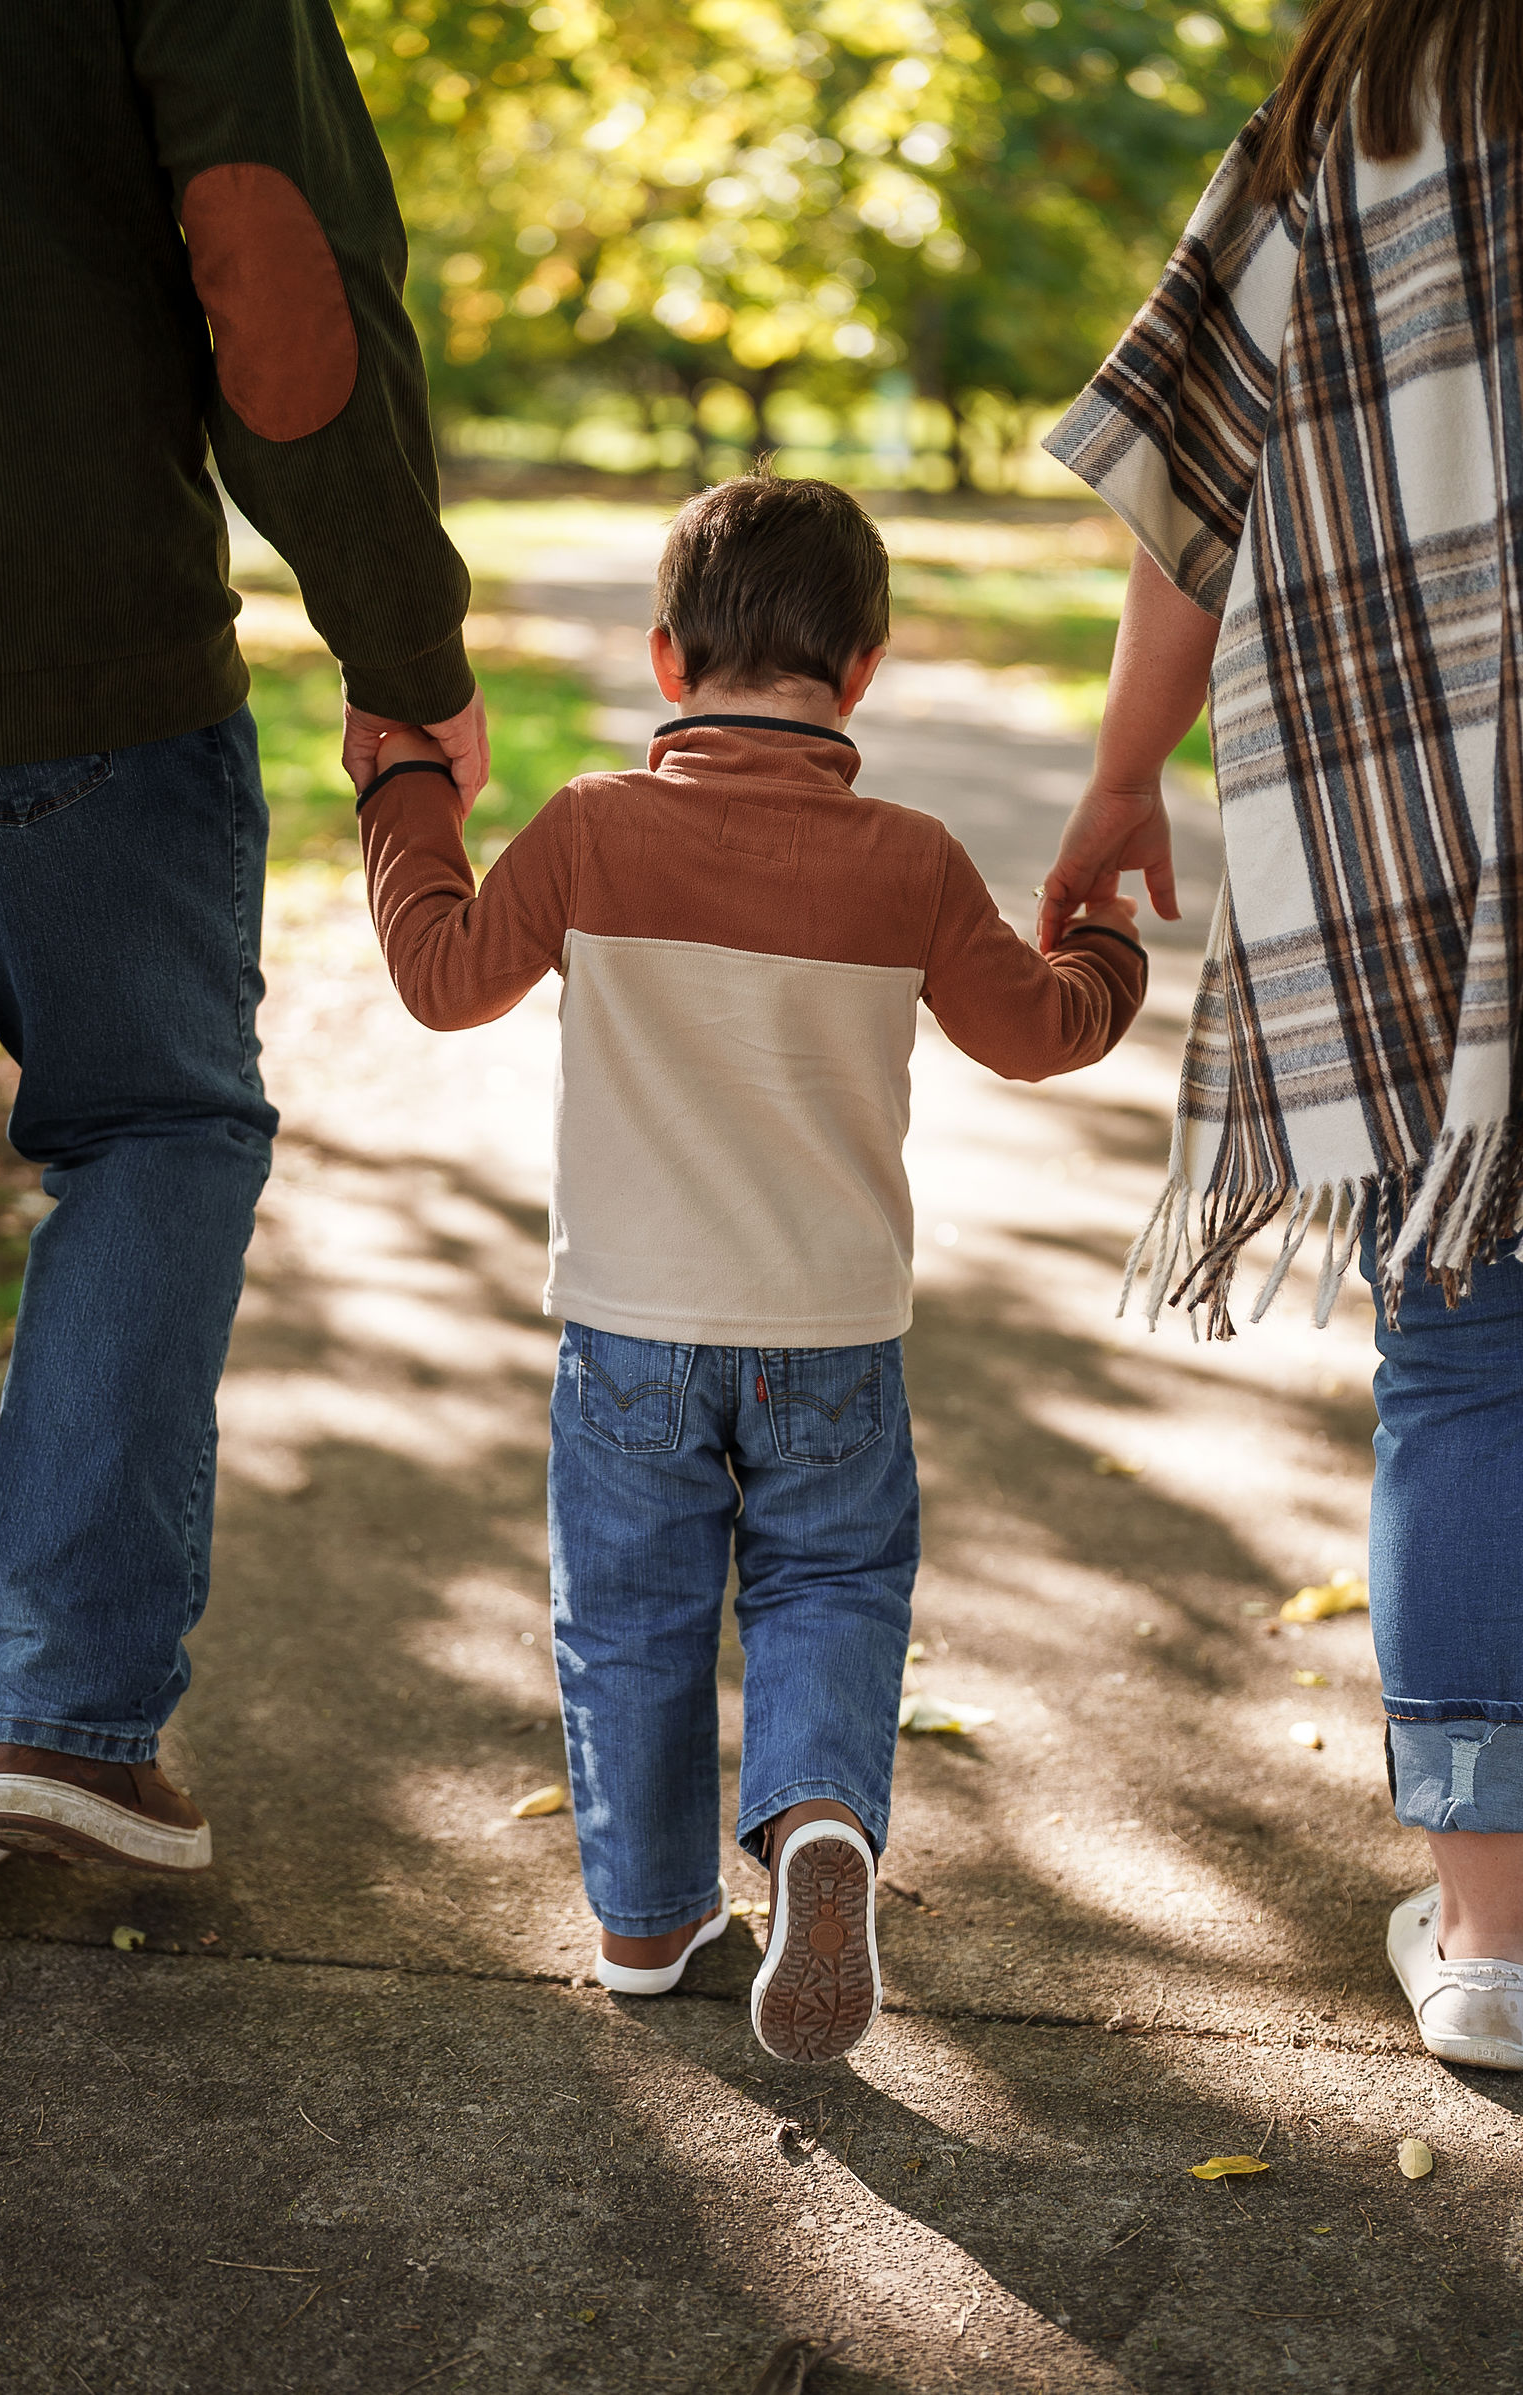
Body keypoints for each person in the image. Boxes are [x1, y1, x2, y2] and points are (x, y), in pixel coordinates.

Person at [353, 470, 1147, 2061]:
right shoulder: (910, 860)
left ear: (666, 660)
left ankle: (649, 1925)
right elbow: (1044, 1032)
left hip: (632, 1335)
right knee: (832, 1586)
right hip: (833, 1332)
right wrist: (1104, 937)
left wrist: (410, 796)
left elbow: (442, 982)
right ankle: (818, 1826)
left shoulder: (588, 830)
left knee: (631, 1617)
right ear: (863, 672)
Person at [0, 0, 484, 1908]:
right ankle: (65, 1738)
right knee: (155, 1126)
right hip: (71, 658)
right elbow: (270, 256)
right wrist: (407, 657)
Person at [1037, 0, 1523, 2067]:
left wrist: (1119, 772)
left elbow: (1195, 495)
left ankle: (1491, 1932)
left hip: (1408, 816)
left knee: (1463, 1338)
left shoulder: (1343, 121)